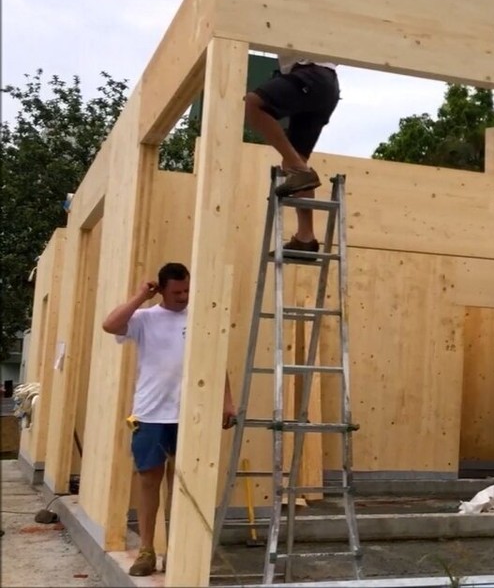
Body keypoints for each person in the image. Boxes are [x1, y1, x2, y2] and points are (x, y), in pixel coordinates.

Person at [101, 262, 237, 576]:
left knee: (184, 484)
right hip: (150, 413)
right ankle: (147, 550)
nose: (183, 296)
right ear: (161, 289)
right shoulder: (144, 319)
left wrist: (227, 401)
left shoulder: (201, 318)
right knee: (149, 481)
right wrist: (139, 297)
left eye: (187, 290)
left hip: (191, 414)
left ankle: (177, 550)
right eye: (176, 292)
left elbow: (217, 361)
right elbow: (110, 325)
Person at [244, 54, 341, 257]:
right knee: (295, 158)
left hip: (311, 75)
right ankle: (306, 237)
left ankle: (300, 170)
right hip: (326, 86)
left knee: (253, 104)